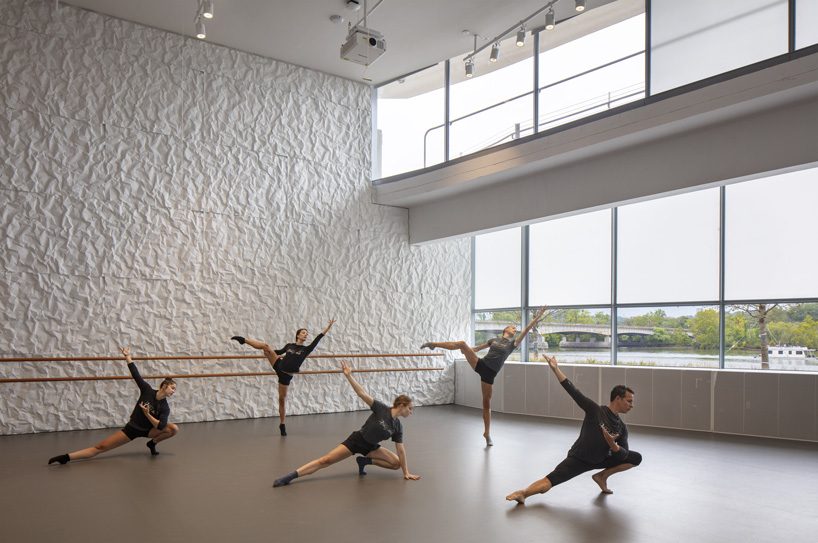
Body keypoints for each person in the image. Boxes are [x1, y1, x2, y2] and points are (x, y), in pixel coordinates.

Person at [505, 355, 642, 504]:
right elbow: (573, 391)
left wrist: (612, 445)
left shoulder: (622, 427)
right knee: (548, 482)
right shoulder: (595, 410)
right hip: (580, 459)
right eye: (629, 401)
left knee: (636, 457)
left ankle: (602, 476)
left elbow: (623, 455)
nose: (631, 405)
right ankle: (523, 493)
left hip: (601, 459)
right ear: (617, 398)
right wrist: (556, 369)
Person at [273, 361, 420, 487]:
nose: (411, 412)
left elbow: (401, 451)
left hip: (371, 447)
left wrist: (406, 472)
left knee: (396, 464)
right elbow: (362, 393)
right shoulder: (381, 409)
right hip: (357, 440)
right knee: (326, 460)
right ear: (401, 405)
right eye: (410, 408)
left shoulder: (398, 426)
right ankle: (290, 476)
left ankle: (365, 461)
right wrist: (349, 375)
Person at [420, 306, 548, 446]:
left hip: (490, 374)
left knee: (486, 404)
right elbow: (477, 349)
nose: (515, 330)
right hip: (481, 364)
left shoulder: (513, 344)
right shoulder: (494, 340)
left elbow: (527, 329)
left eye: (515, 329)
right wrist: (467, 351)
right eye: (512, 328)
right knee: (462, 343)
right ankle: (433, 344)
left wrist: (538, 316)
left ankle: (487, 433)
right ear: (505, 330)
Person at [47, 346, 179, 465]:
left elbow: (160, 426)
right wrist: (127, 356)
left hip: (149, 431)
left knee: (173, 428)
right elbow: (136, 374)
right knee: (100, 448)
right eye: (172, 388)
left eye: (174, 389)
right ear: (164, 386)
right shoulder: (147, 390)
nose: (174, 391)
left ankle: (152, 443)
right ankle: (66, 457)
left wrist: (147, 414)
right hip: (132, 429)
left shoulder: (165, 407)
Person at [232, 319, 335, 436]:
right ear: (298, 335)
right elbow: (278, 351)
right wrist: (270, 353)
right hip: (278, 365)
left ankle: (282, 424)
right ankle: (243, 340)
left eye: (307, 333)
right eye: (303, 333)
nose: (306, 334)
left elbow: (319, 337)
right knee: (266, 346)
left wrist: (329, 326)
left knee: (282, 400)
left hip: (285, 376)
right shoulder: (289, 345)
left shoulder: (306, 349)